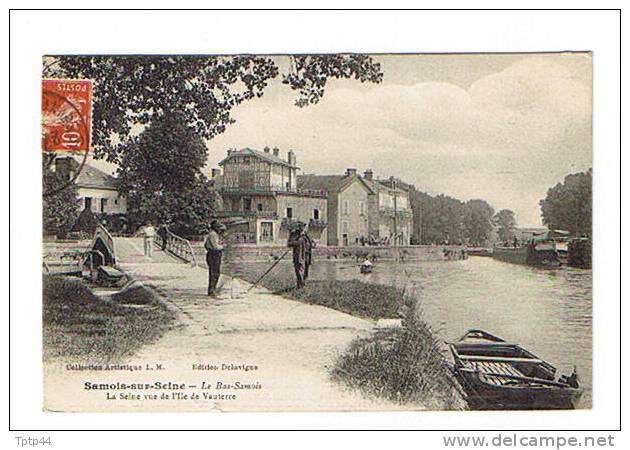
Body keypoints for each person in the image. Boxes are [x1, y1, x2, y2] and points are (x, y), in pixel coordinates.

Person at [287, 222, 313, 288]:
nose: (302, 228)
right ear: (298, 227)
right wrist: (298, 242)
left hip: (307, 255)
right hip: (298, 256)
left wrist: (312, 244)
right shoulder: (294, 234)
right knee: (298, 270)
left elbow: (311, 243)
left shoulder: (306, 235)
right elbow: (289, 244)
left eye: (304, 227)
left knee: (306, 271)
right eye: (301, 227)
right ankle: (300, 284)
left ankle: (304, 283)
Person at [204, 220, 225, 297]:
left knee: (213, 272)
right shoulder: (213, 235)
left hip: (211, 254)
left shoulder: (212, 234)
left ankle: (212, 290)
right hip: (214, 255)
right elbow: (215, 246)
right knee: (214, 273)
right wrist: (222, 247)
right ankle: (212, 291)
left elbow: (206, 245)